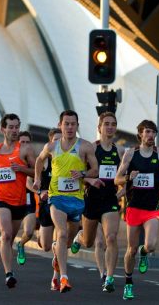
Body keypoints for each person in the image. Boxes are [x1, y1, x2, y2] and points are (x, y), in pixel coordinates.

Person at [33, 110, 98, 293]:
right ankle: (64, 278)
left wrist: (83, 173)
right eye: (66, 124)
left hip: (76, 199)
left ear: (77, 125)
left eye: (73, 124)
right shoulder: (51, 146)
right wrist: (37, 178)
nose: (69, 127)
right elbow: (39, 160)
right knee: (61, 234)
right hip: (57, 197)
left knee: (67, 242)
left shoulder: (85, 146)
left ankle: (57, 265)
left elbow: (95, 170)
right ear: (60, 125)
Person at [0, 113, 36, 289]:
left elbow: (36, 171)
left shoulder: (24, 150)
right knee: (7, 234)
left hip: (19, 201)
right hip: (0, 199)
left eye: (17, 127)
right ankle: (9, 274)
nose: (14, 130)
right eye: (11, 127)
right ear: (3, 129)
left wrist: (22, 169)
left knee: (7, 240)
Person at [114, 119, 159, 301]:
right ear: (140, 134)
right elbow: (117, 179)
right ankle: (128, 283)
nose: (150, 135)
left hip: (153, 207)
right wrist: (128, 177)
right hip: (134, 206)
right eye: (147, 132)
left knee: (151, 245)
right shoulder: (131, 154)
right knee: (131, 249)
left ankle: (145, 252)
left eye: (153, 132)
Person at [70, 112, 125, 293]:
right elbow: (77, 175)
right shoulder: (91, 149)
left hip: (110, 200)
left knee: (111, 238)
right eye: (106, 124)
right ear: (99, 127)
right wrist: (90, 180)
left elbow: (124, 178)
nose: (110, 127)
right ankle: (79, 237)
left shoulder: (120, 152)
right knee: (88, 242)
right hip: (91, 199)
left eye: (113, 124)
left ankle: (109, 278)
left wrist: (121, 193)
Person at [36, 127, 62, 291]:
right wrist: (40, 191)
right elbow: (33, 180)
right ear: (50, 142)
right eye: (56, 140)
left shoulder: (70, 159)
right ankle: (52, 245)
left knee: (61, 239)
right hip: (46, 205)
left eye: (61, 139)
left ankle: (56, 278)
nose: (59, 143)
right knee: (45, 246)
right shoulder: (45, 160)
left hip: (61, 204)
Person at [16, 131, 37, 266]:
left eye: (27, 142)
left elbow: (29, 181)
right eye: (22, 142)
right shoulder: (11, 158)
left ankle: (21, 244)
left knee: (29, 232)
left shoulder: (33, 160)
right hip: (12, 200)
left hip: (28, 199)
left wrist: (38, 191)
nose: (24, 144)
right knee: (7, 235)